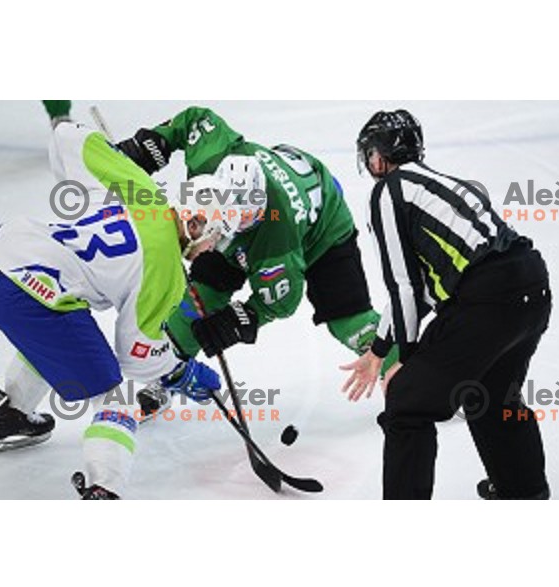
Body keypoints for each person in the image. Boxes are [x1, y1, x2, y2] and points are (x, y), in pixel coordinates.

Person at [0, 119, 220, 499]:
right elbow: (138, 354)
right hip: (32, 294)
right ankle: (105, 487)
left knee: (58, 337)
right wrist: (182, 373)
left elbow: (66, 134)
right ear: (197, 223)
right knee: (115, 397)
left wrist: (123, 155)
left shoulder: (143, 188)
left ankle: (11, 413)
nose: (213, 250)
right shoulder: (167, 271)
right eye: (217, 237)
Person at [116, 106, 397, 399]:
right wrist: (154, 143)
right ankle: (167, 373)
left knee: (350, 323)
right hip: (231, 224)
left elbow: (281, 301)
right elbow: (195, 119)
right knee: (197, 299)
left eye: (250, 217)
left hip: (322, 231)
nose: (245, 222)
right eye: (240, 218)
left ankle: (413, 369)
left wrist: (240, 320)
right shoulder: (211, 158)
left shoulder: (276, 235)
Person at [342, 109, 552, 500]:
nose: (370, 163)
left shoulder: (389, 191)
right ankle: (525, 494)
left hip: (486, 299)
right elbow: (422, 291)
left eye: (370, 154)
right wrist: (379, 349)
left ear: (378, 155)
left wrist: (403, 358)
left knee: (406, 401)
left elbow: (403, 287)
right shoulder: (444, 184)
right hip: (531, 287)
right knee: (491, 398)